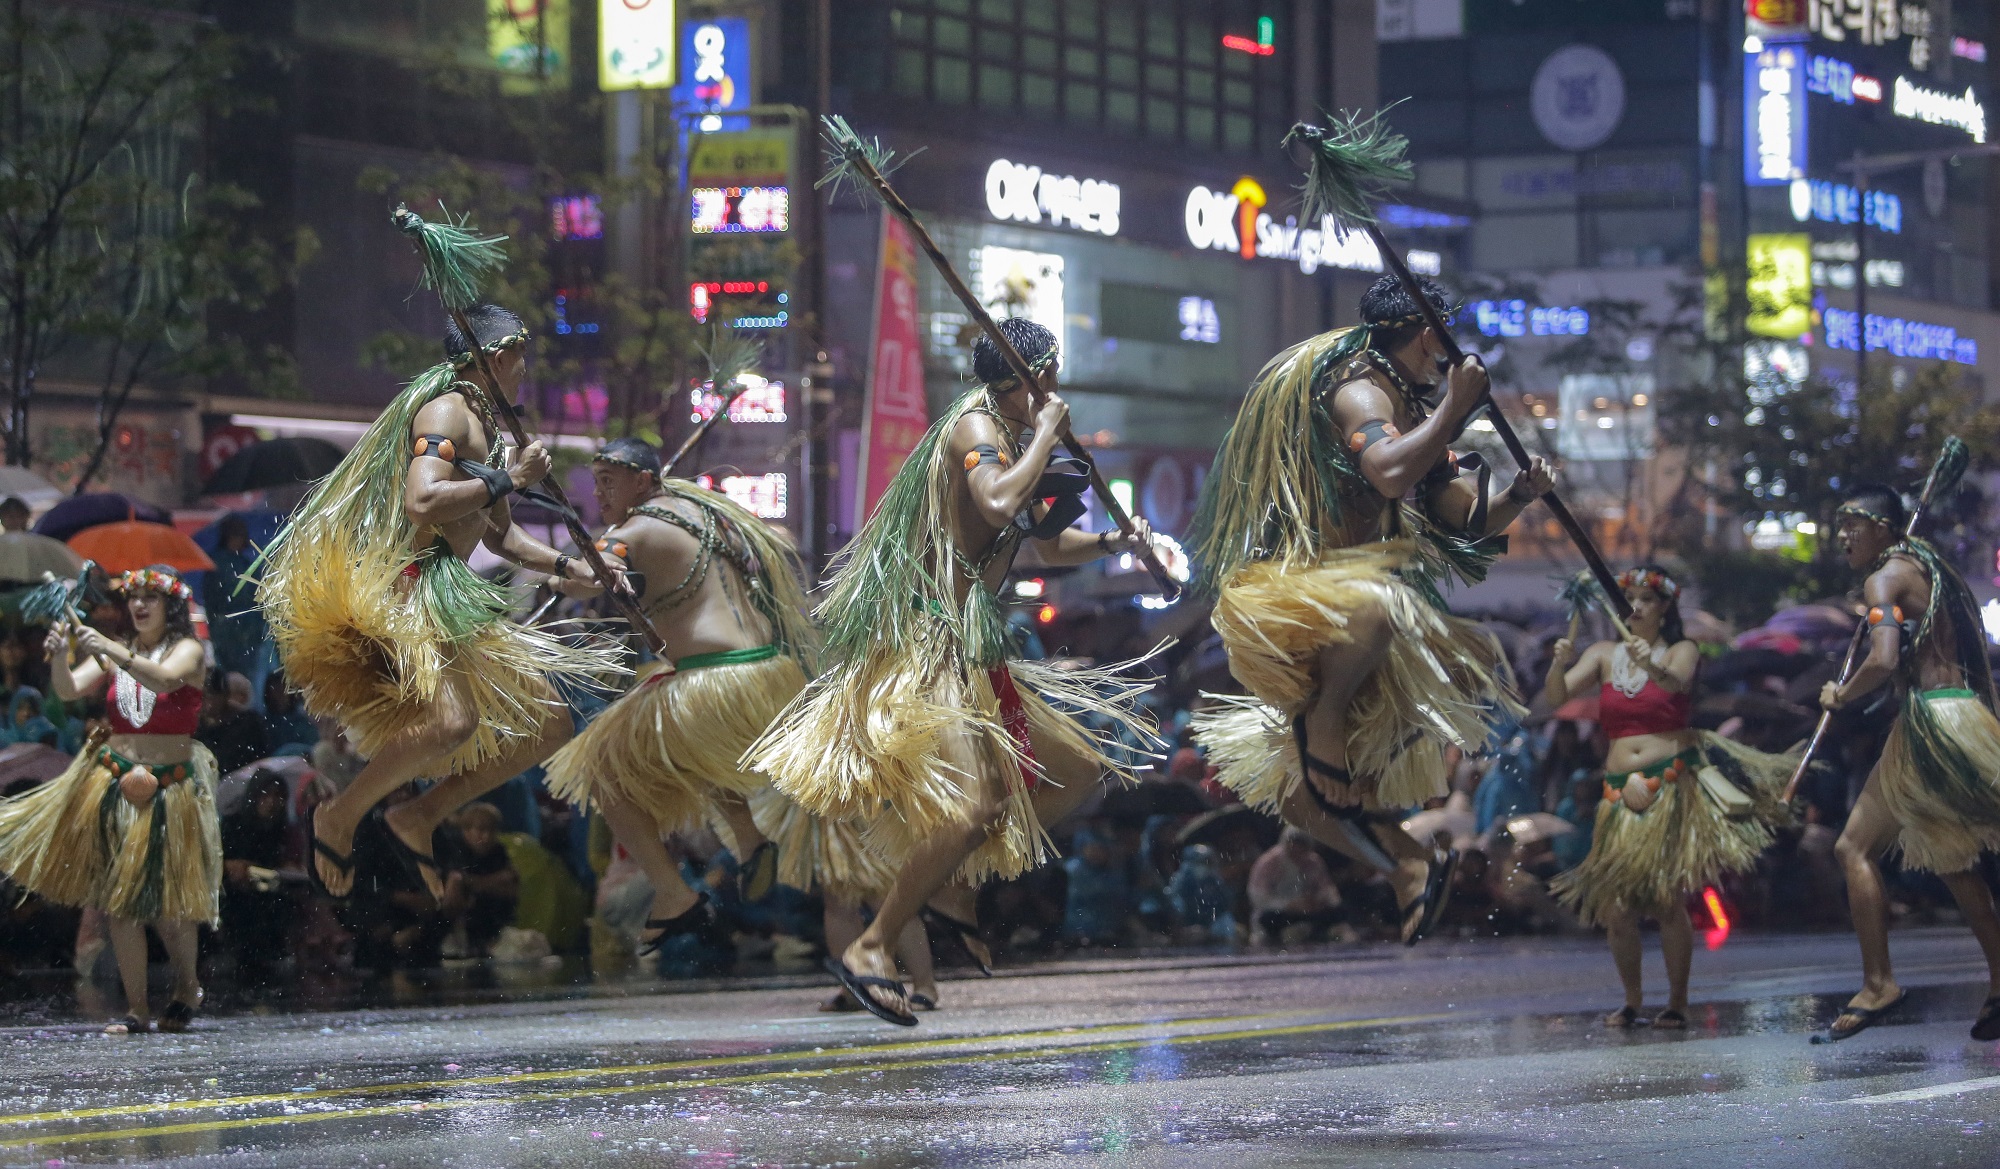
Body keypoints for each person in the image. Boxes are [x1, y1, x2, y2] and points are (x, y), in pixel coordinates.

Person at [747, 317, 1161, 1025]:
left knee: (1073, 770)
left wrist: (1117, 539)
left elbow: (1047, 546)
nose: (1057, 389)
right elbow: (999, 501)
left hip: (973, 646)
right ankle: (873, 946)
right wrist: (1047, 429)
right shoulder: (976, 428)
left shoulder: (1008, 433)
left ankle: (947, 877)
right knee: (974, 808)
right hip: (927, 637)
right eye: (1052, 377)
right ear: (1038, 376)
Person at [1187, 273, 1553, 945]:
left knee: (1306, 794)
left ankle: (1405, 865)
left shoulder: (1410, 405)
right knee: (1384, 602)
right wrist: (1457, 408)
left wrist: (1520, 496)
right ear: (1423, 336)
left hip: (1360, 611)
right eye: (1441, 349)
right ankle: (1323, 721)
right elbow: (1387, 471)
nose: (1447, 363)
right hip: (1310, 594)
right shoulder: (1360, 392)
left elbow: (1459, 517)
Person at [258, 302, 625, 903]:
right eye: (521, 359)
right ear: (501, 356)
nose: (523, 370)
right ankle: (340, 816)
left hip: (450, 589)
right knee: (454, 722)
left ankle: (420, 816)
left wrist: (572, 566)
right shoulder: (447, 410)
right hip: (411, 582)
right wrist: (513, 479)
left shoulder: (487, 423)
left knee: (550, 726)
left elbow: (500, 534)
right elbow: (422, 502)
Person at [541, 437, 818, 953]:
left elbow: (585, 580)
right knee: (689, 747)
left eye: (610, 480)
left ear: (644, 481)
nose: (599, 492)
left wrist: (540, 562)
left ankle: (672, 895)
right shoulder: (705, 513)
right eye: (596, 480)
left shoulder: (634, 529)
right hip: (764, 673)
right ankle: (750, 839)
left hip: (714, 679)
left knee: (600, 766)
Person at [1544, 566, 1793, 1028]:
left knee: (1663, 899)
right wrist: (1559, 661)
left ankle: (1677, 1000)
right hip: (1618, 791)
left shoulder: (1683, 650)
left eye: (1647, 599)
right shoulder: (1602, 654)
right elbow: (1556, 696)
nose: (1635, 607)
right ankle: (1632, 999)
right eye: (1630, 599)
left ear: (1665, 609)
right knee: (1615, 908)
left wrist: (1649, 662)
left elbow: (1676, 682)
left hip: (1668, 782)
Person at [1817, 484, 2000, 1042]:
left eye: (1855, 523)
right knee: (1951, 859)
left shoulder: (1882, 579)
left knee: (1853, 847)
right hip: (1959, 714)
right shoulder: (1927, 566)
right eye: (1840, 524)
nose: (1843, 535)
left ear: (1886, 527)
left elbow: (1884, 658)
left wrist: (1842, 695)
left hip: (1931, 725)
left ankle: (1879, 984)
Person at [0, 567, 220, 1033]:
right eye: (133, 598)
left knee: (171, 906)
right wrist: (61, 656)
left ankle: (186, 987)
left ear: (171, 606)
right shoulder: (119, 649)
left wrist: (110, 649)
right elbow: (67, 689)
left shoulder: (188, 650)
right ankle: (137, 1010)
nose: (139, 606)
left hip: (171, 789)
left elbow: (162, 681)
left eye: (150, 599)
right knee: (119, 903)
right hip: (116, 785)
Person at [220, 768, 293, 985]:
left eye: (278, 796)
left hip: (265, 889)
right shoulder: (234, 823)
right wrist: (231, 866)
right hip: (231, 891)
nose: (271, 802)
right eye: (266, 795)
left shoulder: (277, 828)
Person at [441, 802, 518, 957]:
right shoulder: (456, 850)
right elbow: (455, 881)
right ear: (466, 831)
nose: (487, 836)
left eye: (492, 830)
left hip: (492, 918)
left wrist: (474, 883)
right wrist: (490, 882)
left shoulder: (498, 851)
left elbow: (510, 884)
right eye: (481, 830)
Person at [1248, 828, 1344, 945]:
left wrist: (1317, 901)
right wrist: (1288, 905)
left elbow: (1329, 892)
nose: (1296, 848)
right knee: (1268, 919)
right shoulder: (1268, 863)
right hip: (1276, 915)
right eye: (1293, 843)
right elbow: (1257, 898)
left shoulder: (1314, 862)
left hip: (1306, 914)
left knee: (1335, 914)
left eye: (1302, 844)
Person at [204, 514, 266, 678]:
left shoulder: (244, 563)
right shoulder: (218, 563)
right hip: (230, 631)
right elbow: (213, 598)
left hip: (245, 630)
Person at [198, 672, 268, 774]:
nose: (208, 704)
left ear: (224, 695)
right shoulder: (198, 728)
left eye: (212, 697)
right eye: (202, 697)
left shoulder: (248, 723)